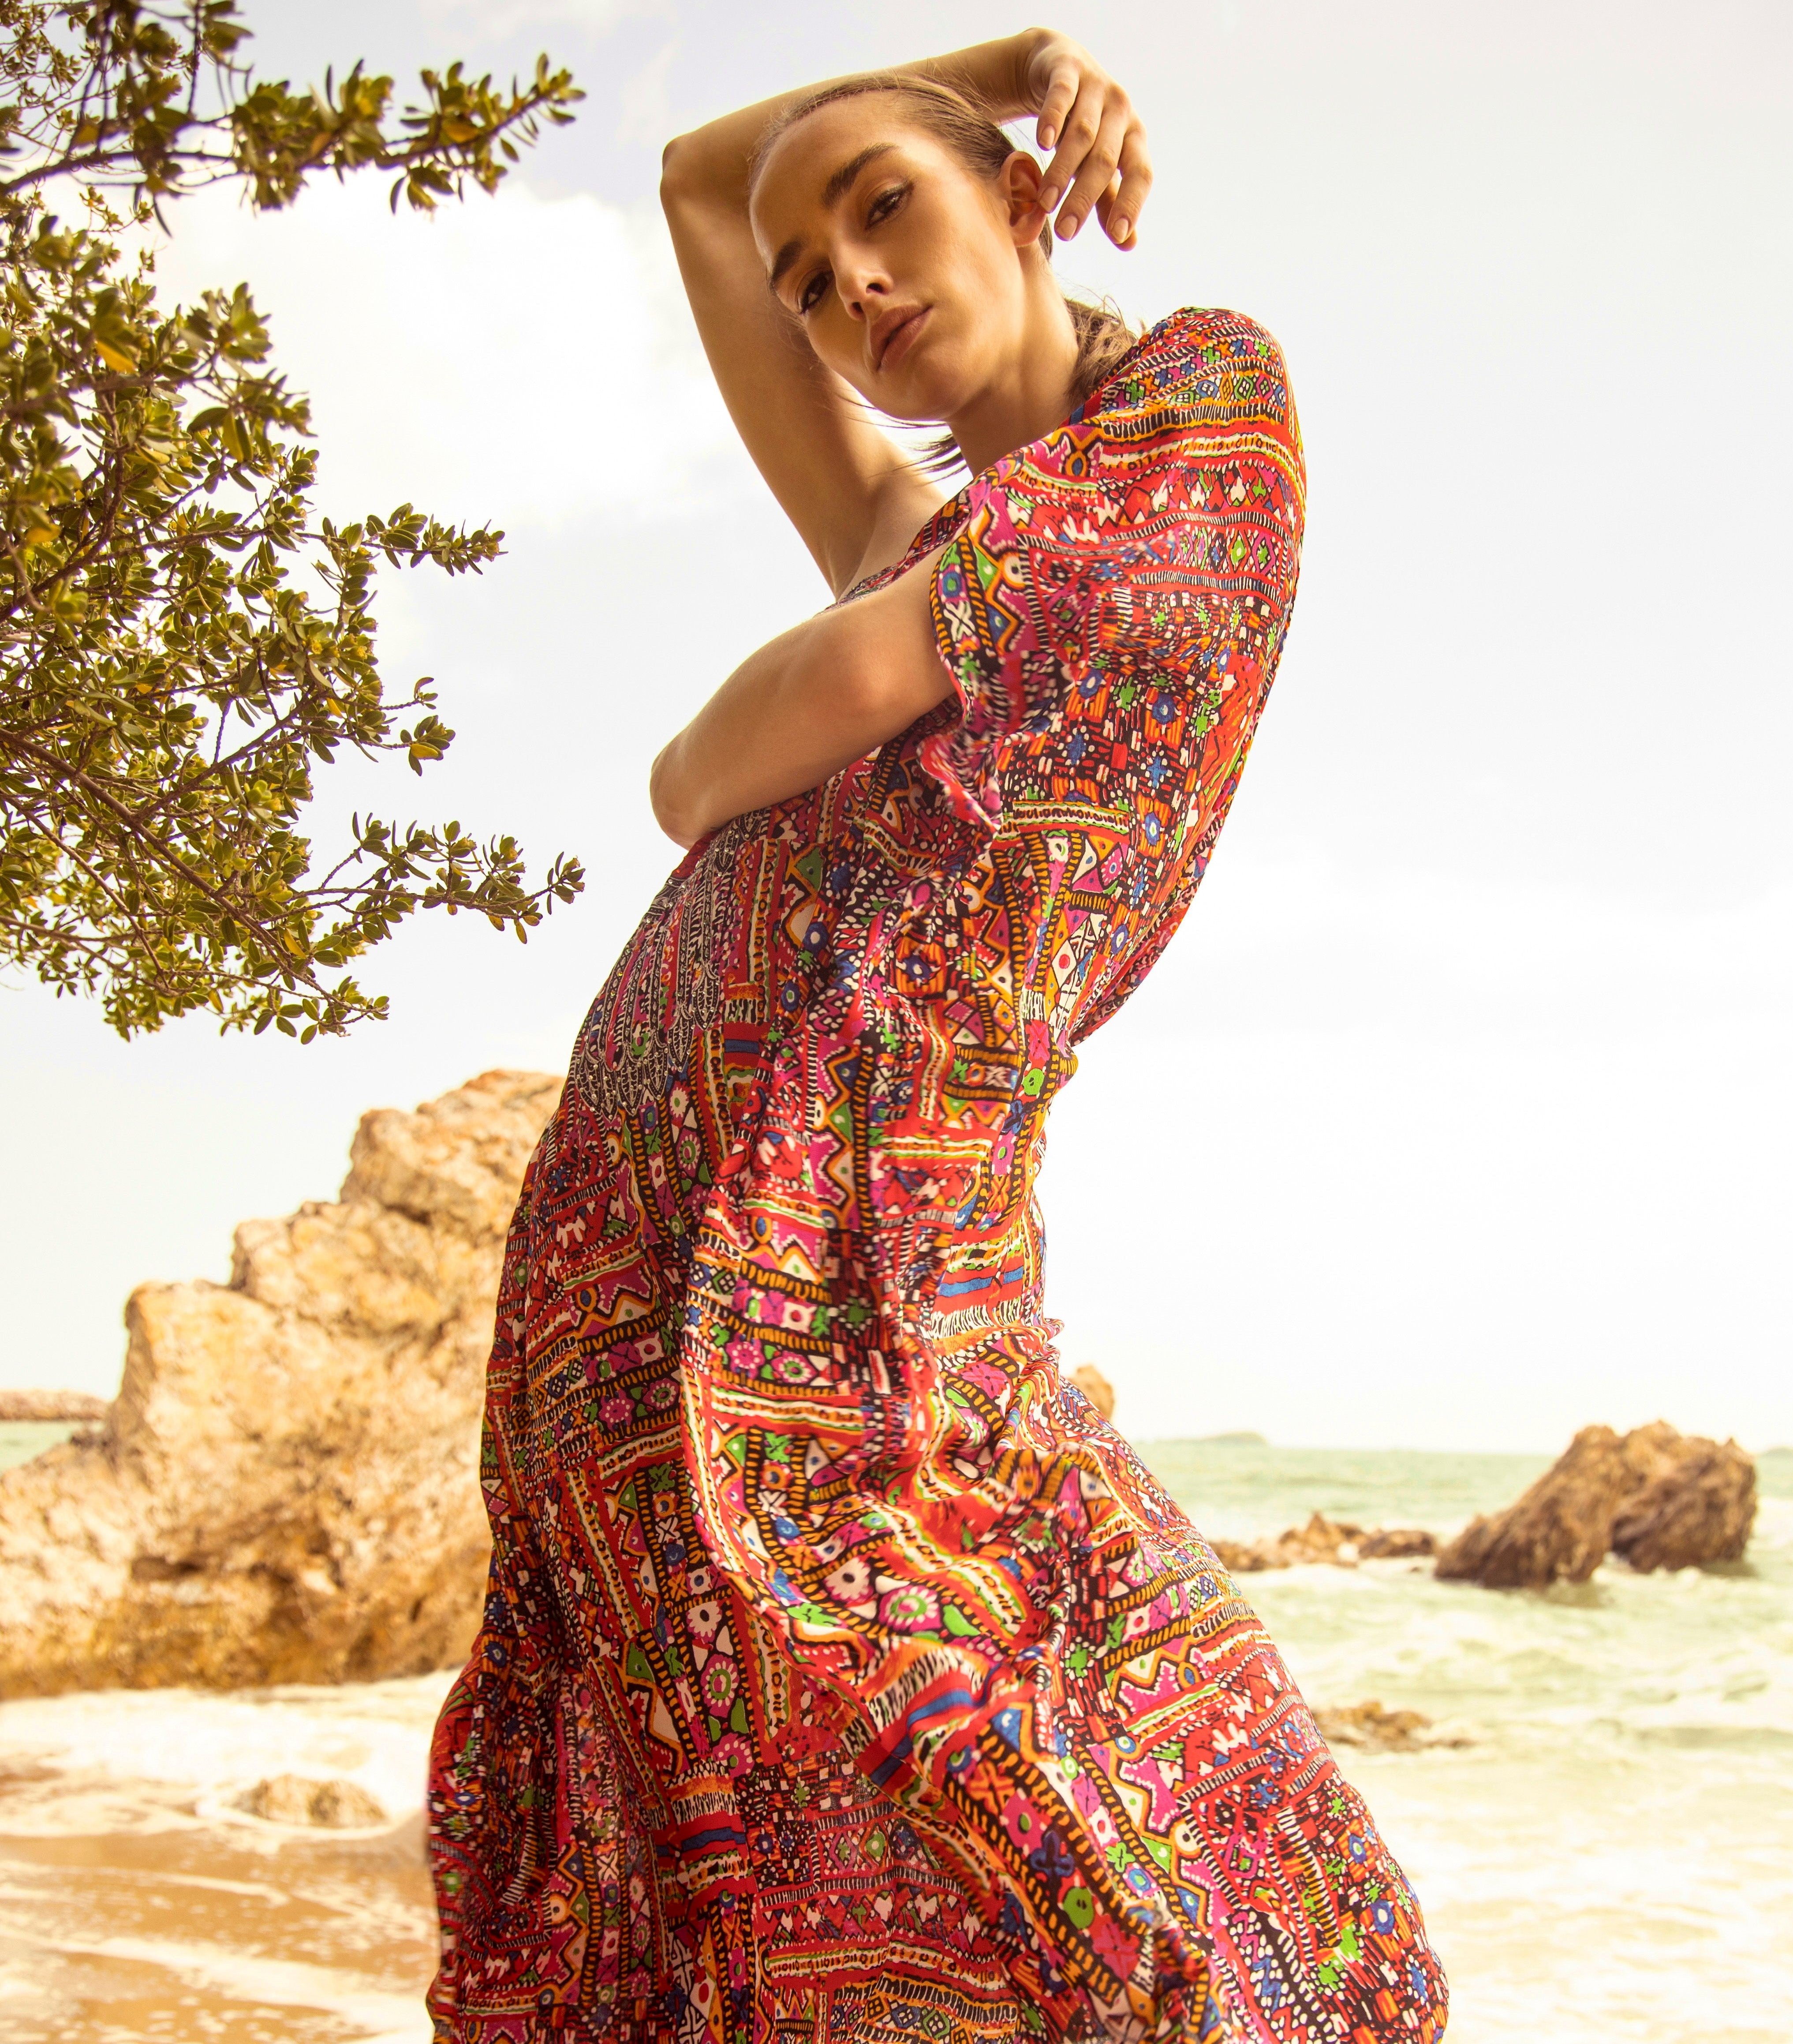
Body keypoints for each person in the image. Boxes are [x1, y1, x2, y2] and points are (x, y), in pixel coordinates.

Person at [427, 27, 1447, 2043]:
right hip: (654, 1262)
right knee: (765, 1884)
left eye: (887, 209)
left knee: (1243, 1888)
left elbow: (829, 694)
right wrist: (1007, 57)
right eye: (812, 283)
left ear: (1025, 194)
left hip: (896, 1272)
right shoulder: (909, 528)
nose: (852, 288)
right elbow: (701, 186)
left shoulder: (1204, 412)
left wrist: (700, 754)